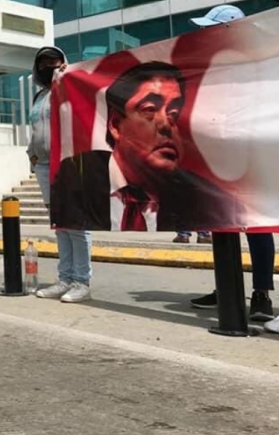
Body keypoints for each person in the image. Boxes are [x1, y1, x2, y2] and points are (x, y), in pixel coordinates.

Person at [51, 61, 237, 232]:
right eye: (149, 109)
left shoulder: (204, 198)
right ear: (115, 124)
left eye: (174, 113)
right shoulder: (75, 176)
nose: (166, 124)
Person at [180, 5, 277, 324]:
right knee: (223, 223)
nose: (204, 34)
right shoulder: (212, 68)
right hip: (219, 156)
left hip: (255, 156)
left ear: (230, 29)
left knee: (256, 225)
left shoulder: (258, 65)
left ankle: (261, 293)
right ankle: (227, 287)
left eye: (211, 28)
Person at [28, 47, 94, 303]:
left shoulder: (71, 87)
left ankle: (82, 281)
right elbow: (36, 128)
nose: (47, 67)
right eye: (42, 63)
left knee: (77, 224)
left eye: (53, 63)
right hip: (43, 165)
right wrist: (31, 154)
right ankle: (65, 278)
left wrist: (71, 77)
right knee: (60, 224)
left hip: (68, 162)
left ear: (63, 63)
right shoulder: (39, 96)